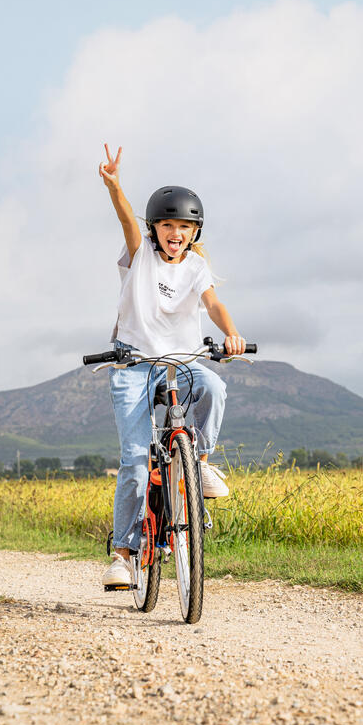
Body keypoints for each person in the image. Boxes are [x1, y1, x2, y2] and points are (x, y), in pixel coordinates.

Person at [98, 144, 247, 587]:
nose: (175, 233)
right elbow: (126, 218)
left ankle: (197, 460)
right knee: (136, 461)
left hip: (182, 361)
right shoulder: (139, 254)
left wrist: (231, 334)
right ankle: (124, 554)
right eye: (167, 225)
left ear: (195, 232)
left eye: (184, 227)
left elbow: (214, 304)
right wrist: (115, 187)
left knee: (214, 388)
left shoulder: (197, 268)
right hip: (134, 364)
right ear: (154, 229)